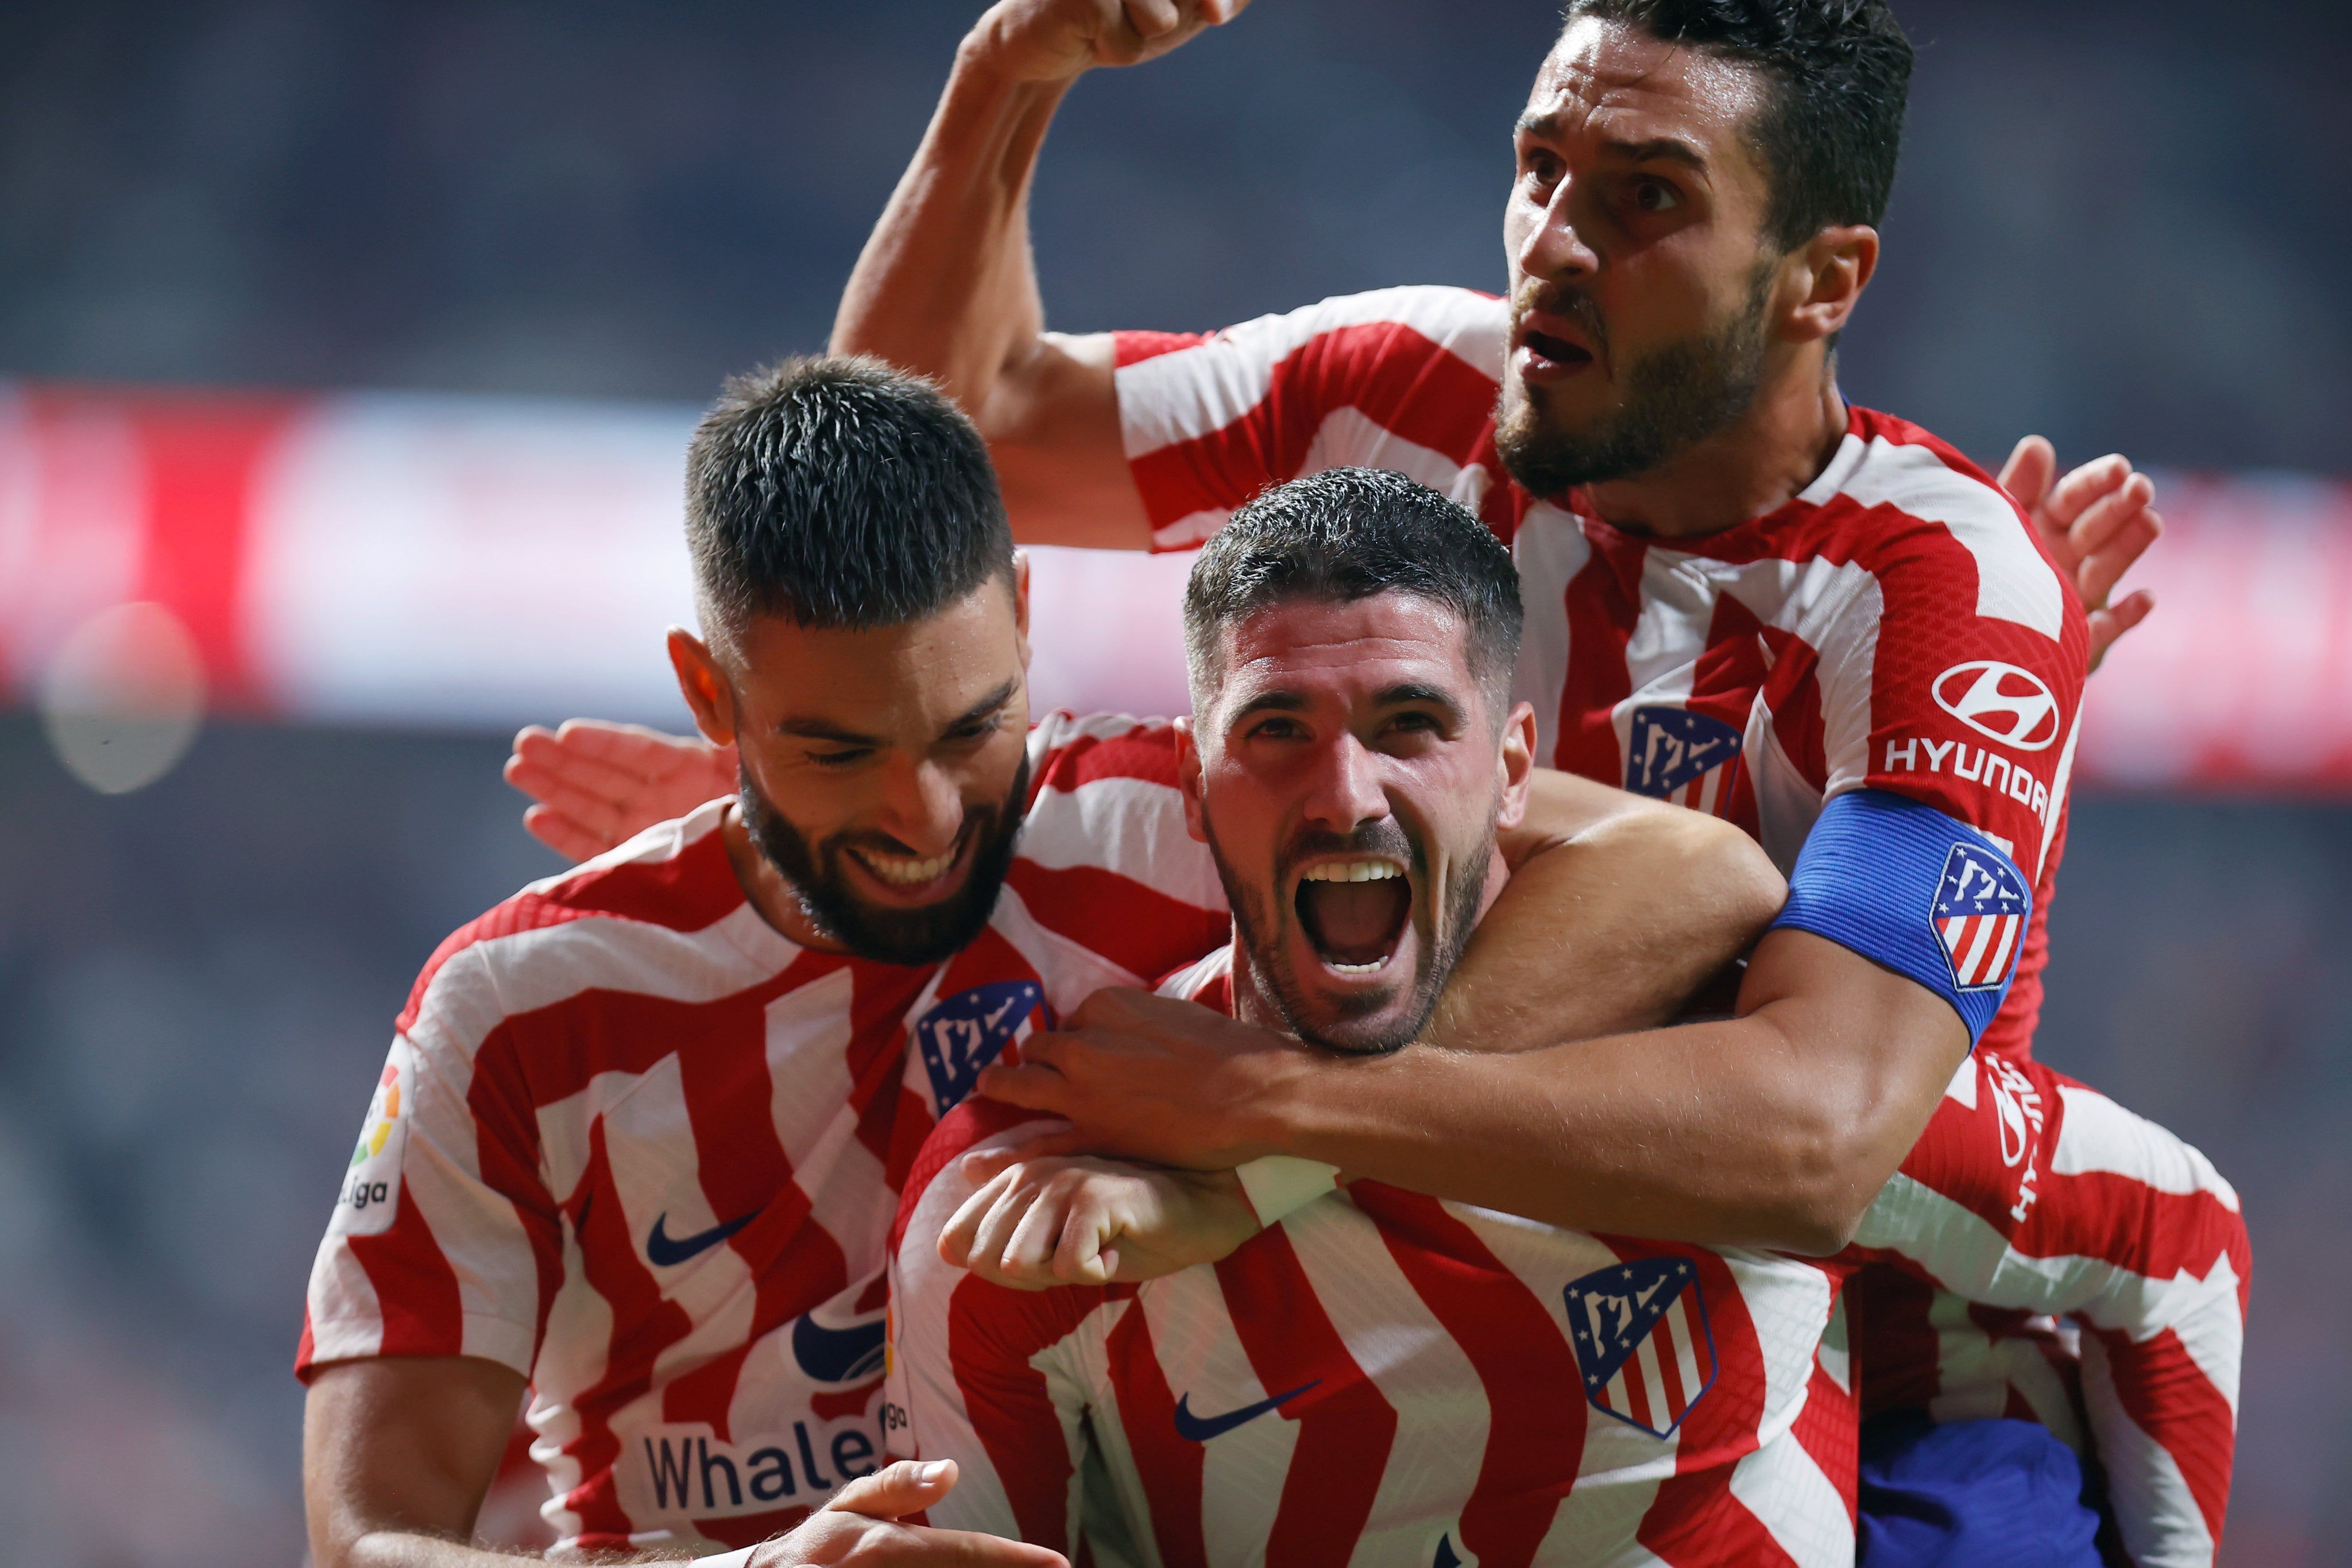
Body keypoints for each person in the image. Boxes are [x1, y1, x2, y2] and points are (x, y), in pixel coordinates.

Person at [299, 358, 1789, 1566]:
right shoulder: (514, 1012)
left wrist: (1271, 1127)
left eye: (968, 730)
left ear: (1024, 614)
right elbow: (368, 1539)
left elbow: (1687, 869)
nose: (926, 817)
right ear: (710, 691)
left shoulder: (1168, 816)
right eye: (836, 750)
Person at [886, 470, 2245, 1567]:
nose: (1346, 791)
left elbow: (2174, 1236)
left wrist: (1271, 1134)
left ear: (1517, 771)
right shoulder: (1027, 1208)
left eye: (1411, 722)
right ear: (1191, 785)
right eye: (1276, 729)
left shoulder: (1731, 1083)